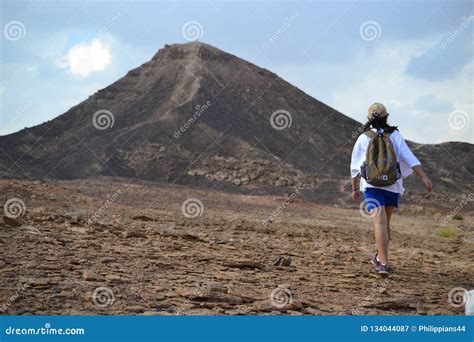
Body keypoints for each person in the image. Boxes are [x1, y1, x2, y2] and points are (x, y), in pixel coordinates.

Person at [350, 103, 433, 276]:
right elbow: (409, 157)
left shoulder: (364, 137)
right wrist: (423, 176)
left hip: (372, 185)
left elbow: (355, 166)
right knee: (385, 223)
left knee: (378, 223)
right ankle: (382, 259)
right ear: (386, 117)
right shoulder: (395, 135)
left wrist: (355, 187)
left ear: (369, 119)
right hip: (392, 185)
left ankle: (383, 263)